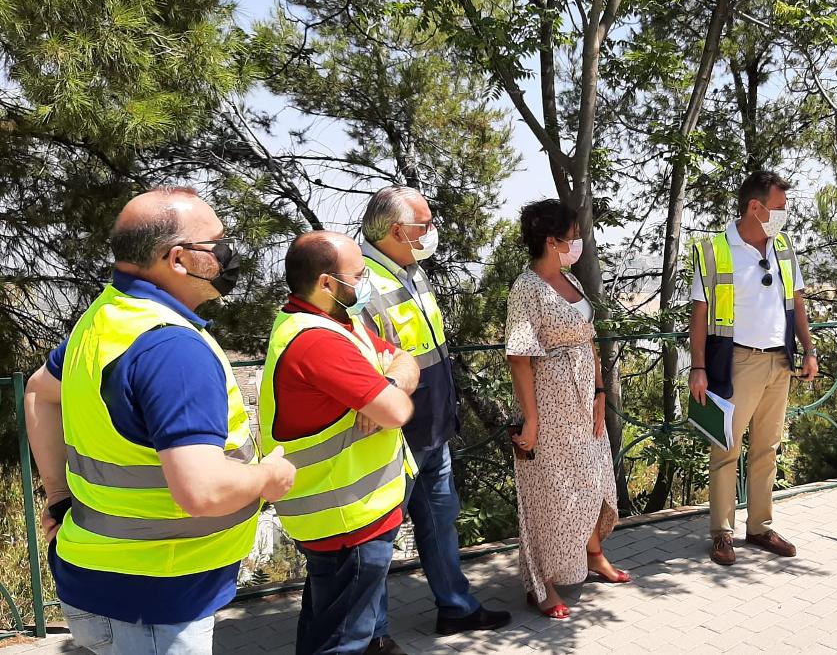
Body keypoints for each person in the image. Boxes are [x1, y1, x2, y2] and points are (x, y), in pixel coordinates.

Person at [22, 187, 296, 655]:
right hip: (156, 600)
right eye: (218, 244)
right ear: (178, 259)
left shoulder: (108, 315)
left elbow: (38, 392)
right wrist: (269, 476)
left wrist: (58, 496)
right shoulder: (173, 349)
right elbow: (202, 490)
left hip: (100, 578)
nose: (228, 254)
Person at [358, 186, 511, 635]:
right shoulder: (362, 283)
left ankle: (456, 608)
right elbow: (364, 365)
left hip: (432, 429)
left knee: (441, 523)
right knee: (378, 539)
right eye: (424, 225)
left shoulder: (411, 271)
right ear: (396, 230)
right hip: (394, 437)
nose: (432, 232)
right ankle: (372, 635)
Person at [259, 231, 419, 655]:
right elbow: (398, 411)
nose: (367, 283)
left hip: (352, 513)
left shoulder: (342, 324)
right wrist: (388, 397)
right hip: (345, 518)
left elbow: (405, 358)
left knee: (327, 626)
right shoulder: (317, 340)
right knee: (342, 640)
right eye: (360, 275)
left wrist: (387, 383)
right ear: (327, 283)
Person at [504, 199, 630, 620]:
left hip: (583, 396)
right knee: (553, 491)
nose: (578, 242)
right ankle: (542, 583)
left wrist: (599, 390)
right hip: (551, 400)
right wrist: (532, 420)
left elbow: (586, 336)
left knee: (593, 480)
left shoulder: (570, 278)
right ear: (551, 241)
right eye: (572, 236)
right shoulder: (526, 288)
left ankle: (593, 555)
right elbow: (519, 356)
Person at [688, 171, 819, 566]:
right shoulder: (714, 250)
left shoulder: (783, 246)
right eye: (779, 207)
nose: (784, 214)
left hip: (780, 361)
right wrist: (697, 367)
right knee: (726, 448)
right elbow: (700, 313)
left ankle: (760, 527)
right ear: (755, 207)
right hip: (737, 362)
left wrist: (809, 350)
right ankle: (722, 533)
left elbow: (797, 301)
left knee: (767, 448)